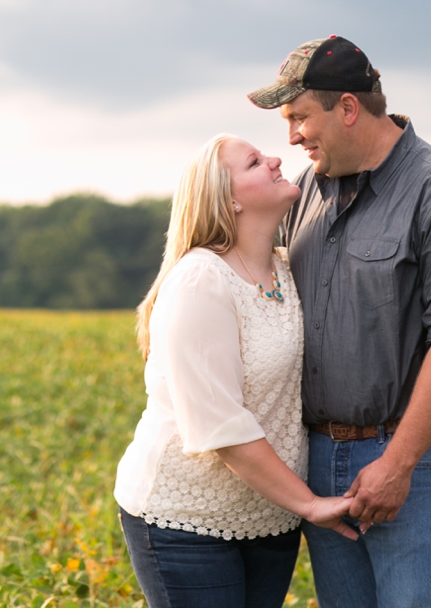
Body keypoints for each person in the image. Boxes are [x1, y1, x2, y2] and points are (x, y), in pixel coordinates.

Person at [247, 35, 431, 608]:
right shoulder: (310, 188)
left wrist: (397, 464)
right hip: (319, 459)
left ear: (347, 108)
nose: (291, 136)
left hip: (412, 460)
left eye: (298, 117)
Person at [115, 132, 359, 608]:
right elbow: (219, 423)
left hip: (270, 515)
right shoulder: (200, 279)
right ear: (228, 201)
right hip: (185, 518)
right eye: (253, 162)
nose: (274, 159)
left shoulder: (288, 268)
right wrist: (309, 504)